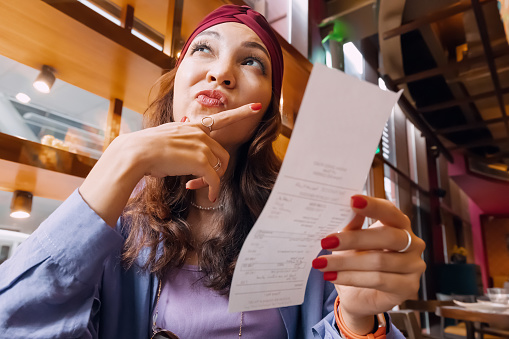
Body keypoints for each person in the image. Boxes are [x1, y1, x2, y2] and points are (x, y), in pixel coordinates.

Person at [0, 5, 425, 339]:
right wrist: (120, 160)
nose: (221, 72)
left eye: (253, 63)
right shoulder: (113, 222)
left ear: (266, 114)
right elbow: (13, 324)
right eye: (204, 49)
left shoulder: (305, 234)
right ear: (177, 81)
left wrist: (356, 320)